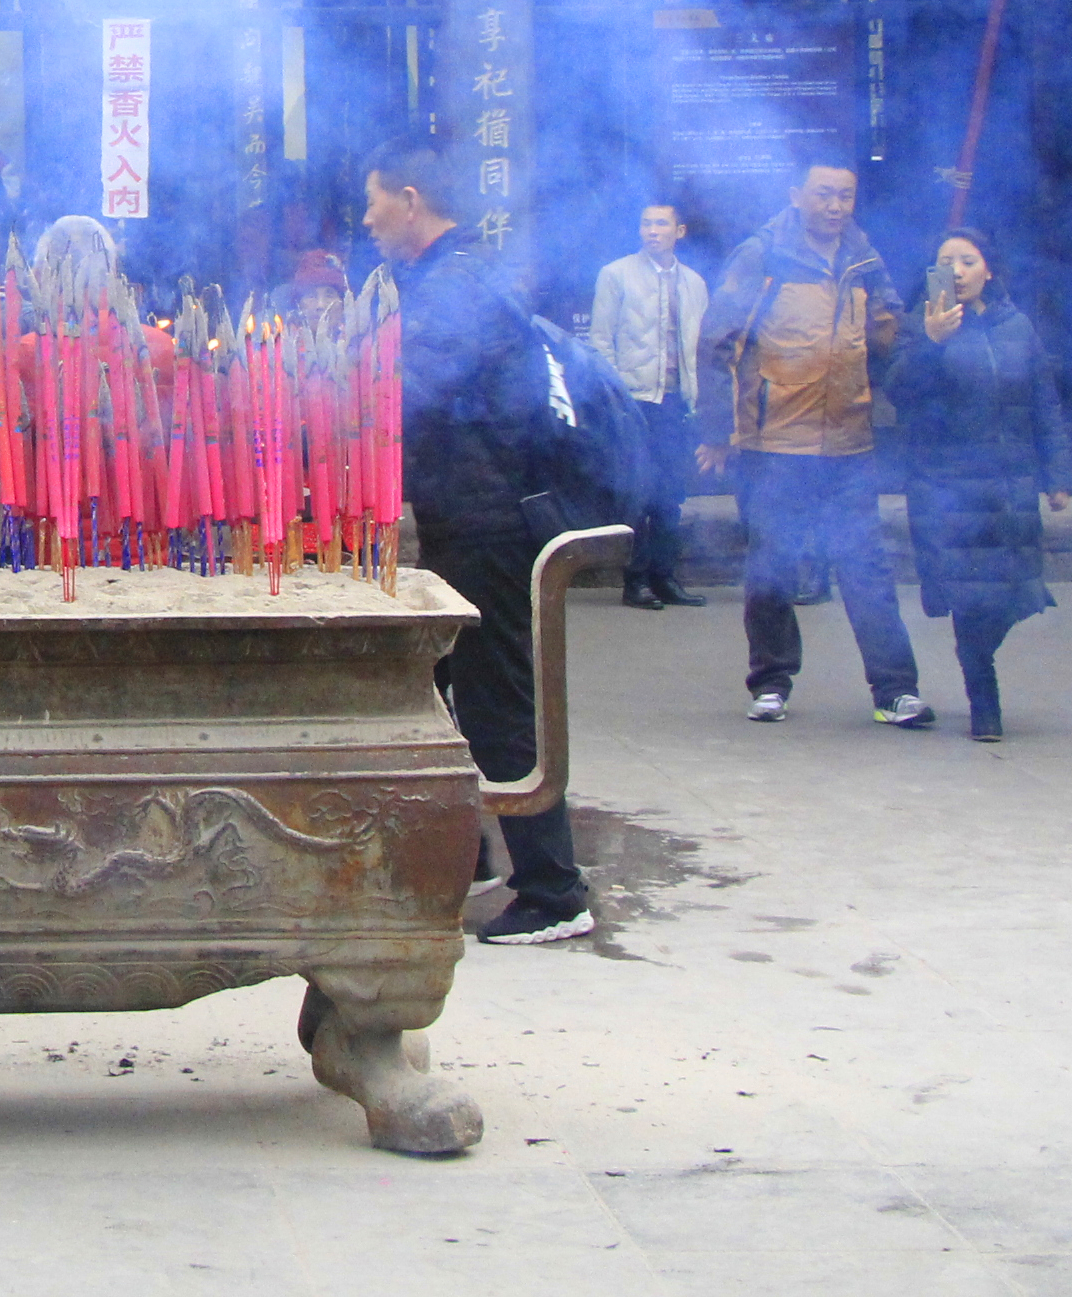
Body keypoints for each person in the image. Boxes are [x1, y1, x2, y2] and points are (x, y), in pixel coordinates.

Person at [361, 140, 593, 945]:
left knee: (497, 702)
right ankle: (477, 854)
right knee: (449, 693)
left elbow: (411, 391)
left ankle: (555, 891)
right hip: (464, 516)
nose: (368, 219)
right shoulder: (440, 278)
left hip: (493, 521)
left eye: (375, 201)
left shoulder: (458, 286)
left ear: (412, 198)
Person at [698, 152, 929, 729]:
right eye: (824, 194)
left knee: (866, 568)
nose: (834, 206)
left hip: (849, 442)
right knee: (772, 567)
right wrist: (718, 432)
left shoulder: (864, 260)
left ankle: (895, 690)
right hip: (775, 443)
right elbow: (719, 342)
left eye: (844, 196)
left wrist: (930, 343)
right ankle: (771, 682)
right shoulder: (763, 255)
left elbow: (889, 338)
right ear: (798, 194)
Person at [881, 230, 1070, 741]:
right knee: (970, 599)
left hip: (1008, 486)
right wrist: (932, 345)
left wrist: (1057, 474)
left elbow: (1043, 402)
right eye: (947, 262)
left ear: (989, 269)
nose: (958, 270)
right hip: (948, 488)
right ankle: (985, 705)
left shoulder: (1017, 326)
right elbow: (899, 393)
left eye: (968, 260)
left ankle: (980, 671)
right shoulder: (921, 327)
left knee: (1018, 596)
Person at [589, 201, 708, 610]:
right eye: (646, 223)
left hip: (677, 401)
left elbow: (699, 346)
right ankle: (635, 581)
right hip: (636, 400)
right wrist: (614, 396)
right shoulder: (616, 275)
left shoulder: (694, 282)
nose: (652, 231)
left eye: (661, 224)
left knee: (672, 496)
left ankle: (665, 576)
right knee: (640, 493)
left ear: (680, 231)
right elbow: (601, 341)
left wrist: (700, 400)